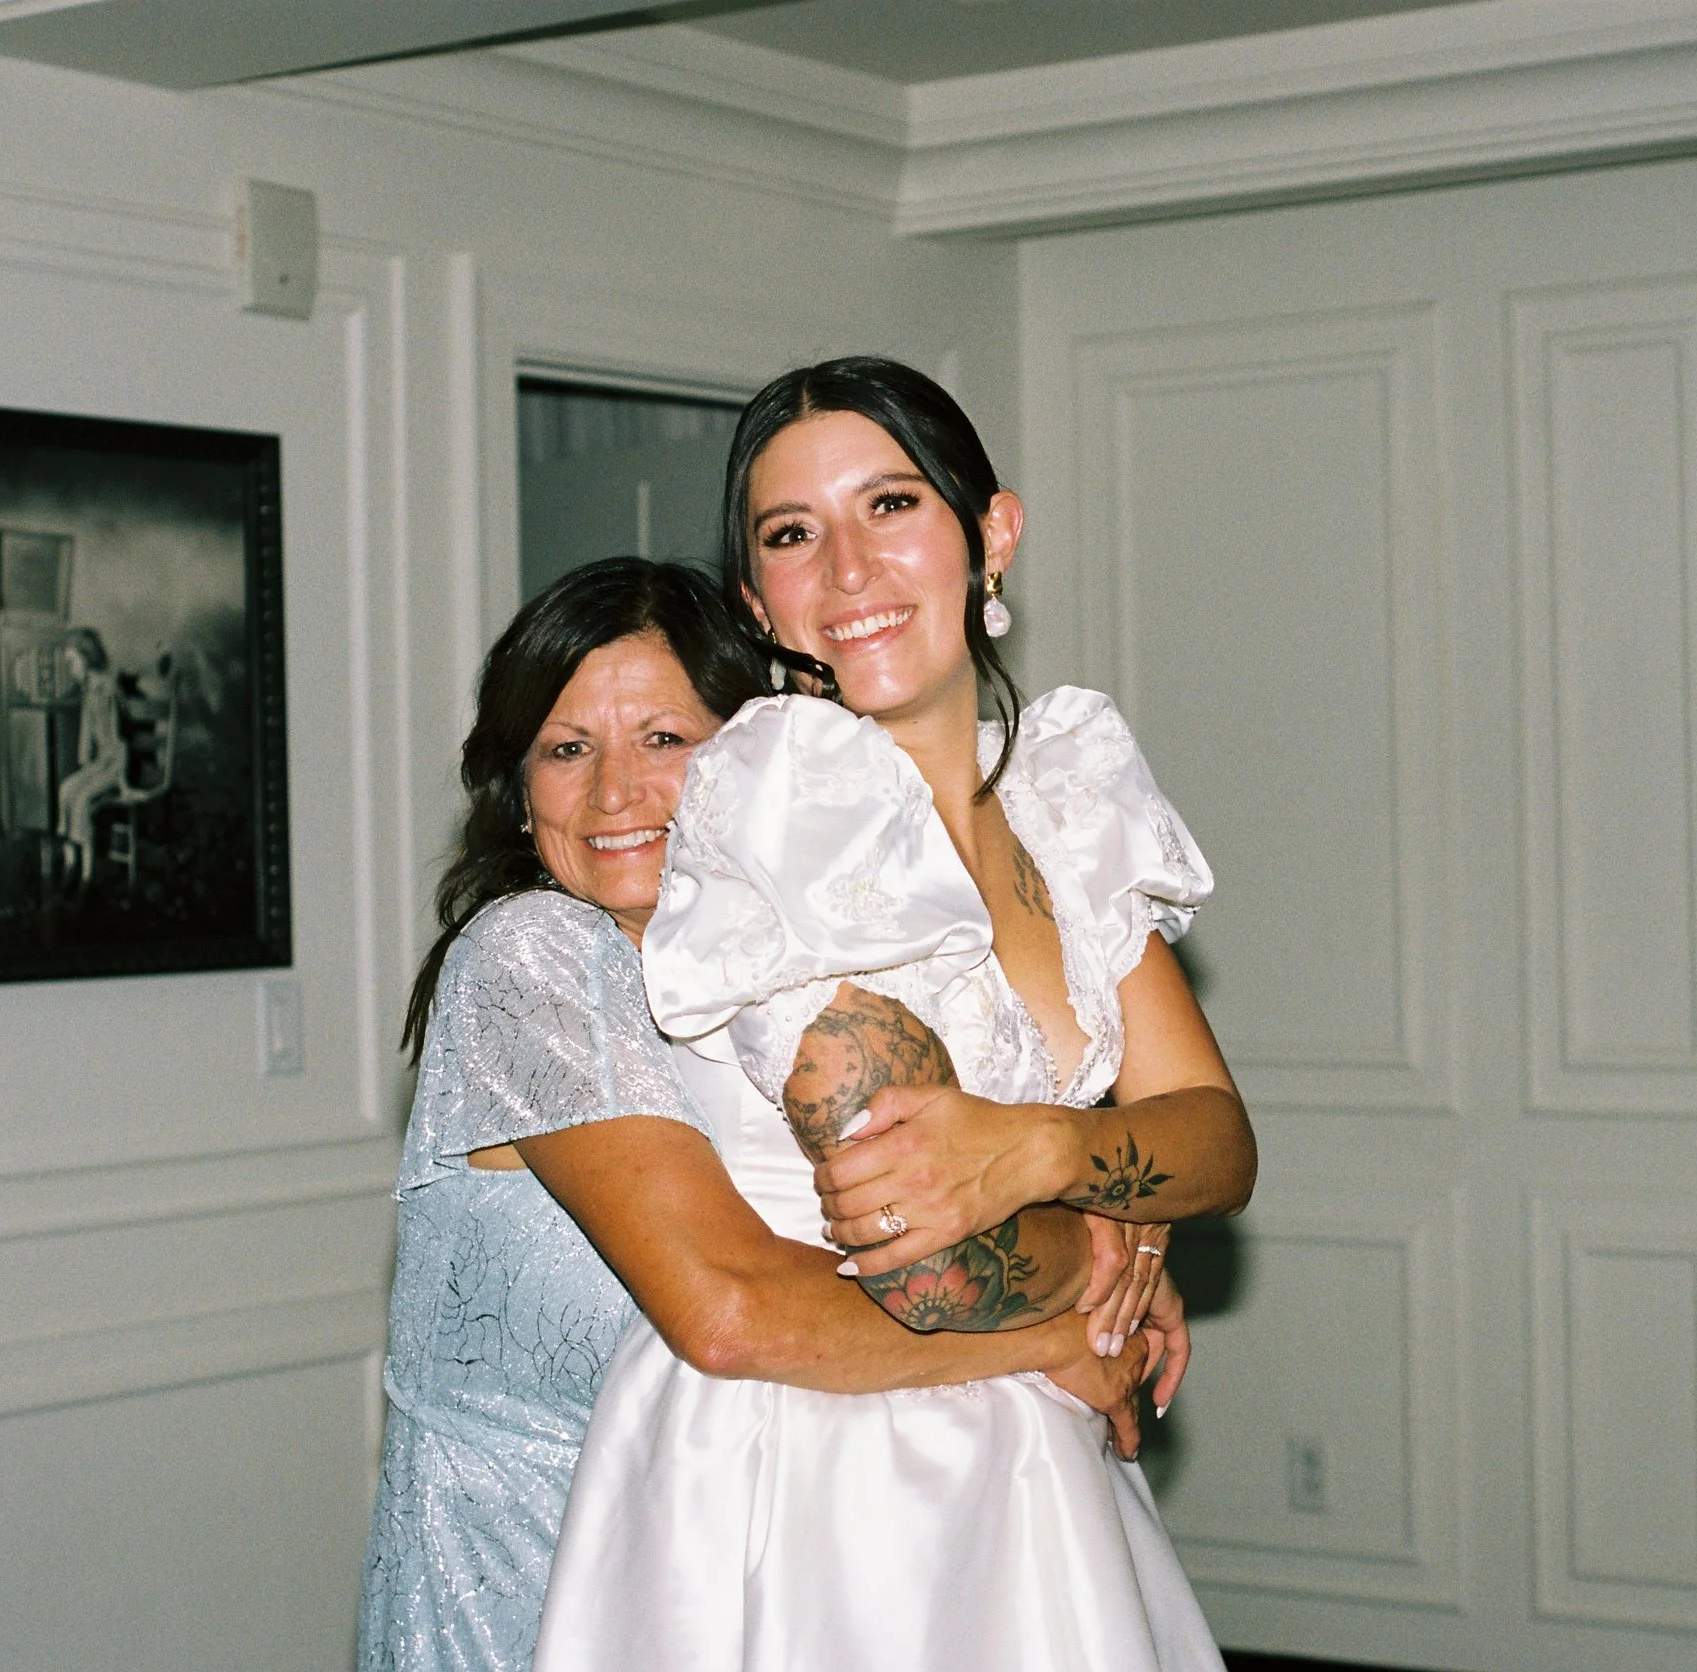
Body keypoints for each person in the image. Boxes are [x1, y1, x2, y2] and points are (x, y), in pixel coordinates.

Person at [532, 360, 1257, 1671]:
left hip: (1028, 1444)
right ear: (759, 601)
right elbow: (923, 1257)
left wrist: (1047, 1156)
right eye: (794, 535)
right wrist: (1108, 1226)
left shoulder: (1066, 800)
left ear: (993, 534)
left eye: (892, 505)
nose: (851, 571)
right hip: (815, 1466)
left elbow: (1217, 1141)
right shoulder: (776, 812)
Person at [358, 559, 1160, 1672]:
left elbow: (924, 1225)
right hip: (537, 1602)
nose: (612, 795)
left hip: (765, 1588)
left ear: (752, 754)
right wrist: (1054, 1334)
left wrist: (1120, 1252)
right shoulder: (532, 957)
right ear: (517, 783)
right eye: (564, 747)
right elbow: (734, 1311)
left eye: (663, 739)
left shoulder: (787, 983)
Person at [56, 628, 123, 885]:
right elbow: (87, 730)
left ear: (87, 657)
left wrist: (116, 773)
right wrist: (86, 765)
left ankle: (87, 873)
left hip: (116, 765)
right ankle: (70, 862)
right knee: (66, 790)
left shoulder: (107, 687)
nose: (71, 668)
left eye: (72, 662)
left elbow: (120, 737)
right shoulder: (89, 687)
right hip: (100, 764)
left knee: (83, 800)